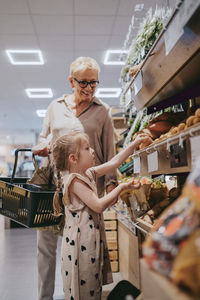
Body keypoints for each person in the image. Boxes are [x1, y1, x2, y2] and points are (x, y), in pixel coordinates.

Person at [33, 56, 118, 300]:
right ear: (71, 81)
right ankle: (44, 297)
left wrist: (111, 183)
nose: (89, 88)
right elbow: (43, 138)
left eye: (94, 83)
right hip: (54, 190)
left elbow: (109, 152)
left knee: (84, 249)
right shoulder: (55, 107)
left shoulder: (103, 112)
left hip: (85, 191)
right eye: (83, 83)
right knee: (46, 248)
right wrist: (41, 146)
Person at [52, 131, 151, 300]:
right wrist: (121, 188)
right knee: (84, 286)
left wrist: (134, 145)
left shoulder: (87, 173)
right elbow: (98, 206)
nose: (92, 151)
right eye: (87, 148)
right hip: (80, 246)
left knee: (92, 282)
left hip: (89, 240)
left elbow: (114, 163)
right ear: (73, 159)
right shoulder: (74, 181)